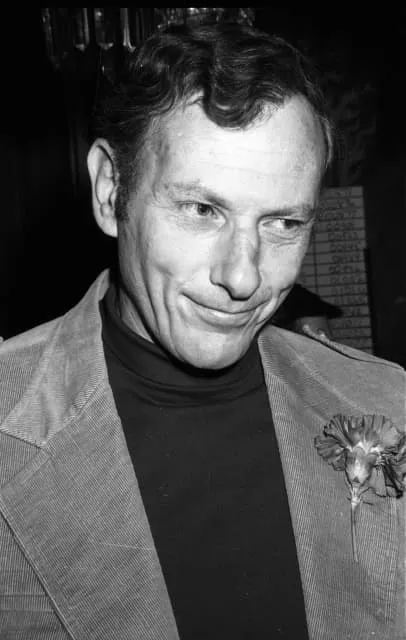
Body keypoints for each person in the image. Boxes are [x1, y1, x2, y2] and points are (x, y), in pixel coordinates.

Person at [0, 22, 404, 640]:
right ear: (110, 192)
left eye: (283, 223)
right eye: (202, 210)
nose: (243, 278)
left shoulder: (387, 403)